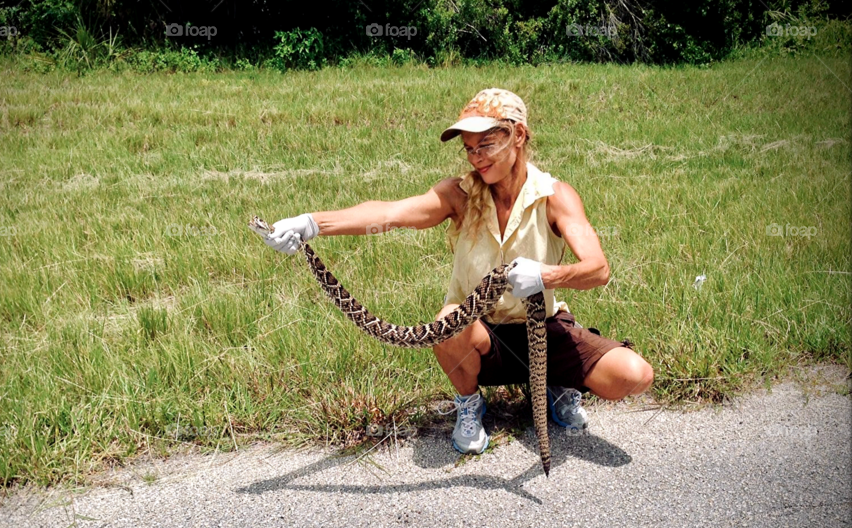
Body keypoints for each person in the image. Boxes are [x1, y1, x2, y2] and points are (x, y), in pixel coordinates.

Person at [259, 88, 654, 454]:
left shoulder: (556, 195)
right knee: (448, 320)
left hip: (543, 326)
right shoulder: (459, 194)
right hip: (480, 332)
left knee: (634, 375)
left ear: (518, 135)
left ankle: (553, 386)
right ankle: (469, 403)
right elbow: (388, 214)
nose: (476, 157)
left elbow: (598, 269)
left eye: (486, 144)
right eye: (469, 149)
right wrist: (312, 223)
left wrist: (546, 275)